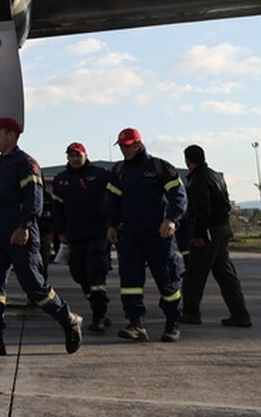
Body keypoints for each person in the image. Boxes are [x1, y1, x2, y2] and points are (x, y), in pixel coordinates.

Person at [0, 117, 82, 357]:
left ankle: (68, 319)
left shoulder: (26, 164)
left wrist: (25, 225)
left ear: (10, 135)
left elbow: (34, 198)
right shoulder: (1, 167)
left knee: (34, 287)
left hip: (20, 234)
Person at [107, 127, 187, 343]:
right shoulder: (118, 171)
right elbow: (112, 201)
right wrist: (112, 225)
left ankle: (172, 324)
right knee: (130, 282)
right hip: (130, 236)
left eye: (127, 145)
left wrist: (171, 219)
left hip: (158, 236)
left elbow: (178, 195)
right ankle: (136, 324)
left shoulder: (160, 167)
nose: (124, 149)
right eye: (121, 146)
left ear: (138, 144)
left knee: (168, 281)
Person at [179, 145, 251, 328]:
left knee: (194, 273)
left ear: (188, 160)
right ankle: (240, 314)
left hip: (209, 230)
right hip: (223, 228)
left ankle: (191, 312)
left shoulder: (198, 179)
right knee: (225, 274)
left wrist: (199, 235)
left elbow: (202, 209)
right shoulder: (215, 176)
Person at [51, 142, 114, 332]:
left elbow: (115, 196)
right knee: (79, 274)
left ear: (85, 155)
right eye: (71, 156)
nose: (75, 159)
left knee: (96, 272)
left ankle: (99, 315)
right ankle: (96, 303)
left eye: (78, 155)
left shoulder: (100, 175)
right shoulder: (61, 180)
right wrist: (60, 231)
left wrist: (113, 223)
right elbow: (57, 208)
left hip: (98, 233)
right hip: (74, 235)